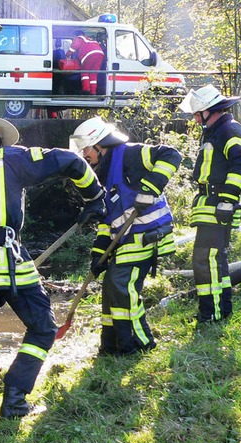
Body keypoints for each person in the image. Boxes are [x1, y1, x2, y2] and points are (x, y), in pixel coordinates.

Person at [0, 114, 106, 424]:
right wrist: (94, 198)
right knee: (44, 327)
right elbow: (70, 161)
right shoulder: (10, 158)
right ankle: (14, 399)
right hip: (6, 261)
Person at [70, 117, 181, 355]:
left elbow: (171, 155)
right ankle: (112, 345)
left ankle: (141, 343)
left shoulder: (130, 154)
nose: (85, 156)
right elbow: (107, 222)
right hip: (126, 237)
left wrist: (150, 190)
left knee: (121, 283)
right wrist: (98, 255)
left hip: (147, 234)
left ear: (100, 144)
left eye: (86, 150)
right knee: (111, 286)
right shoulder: (103, 173)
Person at [179, 84, 241, 323]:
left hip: (219, 203)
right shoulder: (214, 131)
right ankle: (217, 310)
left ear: (211, 110)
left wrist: (228, 201)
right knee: (212, 259)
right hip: (209, 203)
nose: (196, 118)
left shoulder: (229, 130)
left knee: (206, 259)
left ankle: (212, 312)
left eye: (198, 114)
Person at [65, 30, 104, 95]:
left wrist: (68, 54)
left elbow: (74, 46)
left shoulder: (79, 38)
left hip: (89, 54)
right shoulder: (90, 39)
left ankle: (86, 89)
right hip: (100, 54)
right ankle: (93, 92)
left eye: (73, 37)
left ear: (76, 35)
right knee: (93, 73)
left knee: (84, 72)